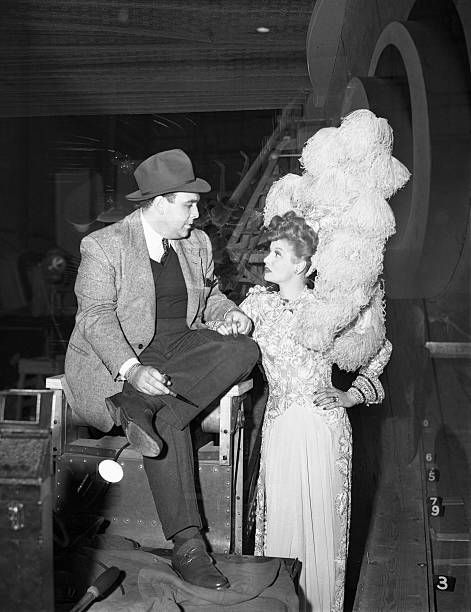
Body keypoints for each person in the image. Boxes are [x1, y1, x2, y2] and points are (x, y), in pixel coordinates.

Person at [214, 110, 410, 610]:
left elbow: (382, 348)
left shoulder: (333, 306)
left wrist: (351, 393)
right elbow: (223, 331)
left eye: (277, 255)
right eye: (270, 253)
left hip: (324, 430)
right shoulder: (257, 305)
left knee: (324, 532)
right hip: (279, 428)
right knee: (280, 530)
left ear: (303, 263)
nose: (268, 261)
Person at [64, 148, 259, 590]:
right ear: (161, 201)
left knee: (244, 349)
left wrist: (230, 314)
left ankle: (144, 408)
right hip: (120, 363)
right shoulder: (104, 245)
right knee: (173, 424)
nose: (197, 213)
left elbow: (208, 299)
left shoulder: (198, 243)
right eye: (189, 204)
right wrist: (132, 371)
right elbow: (95, 317)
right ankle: (189, 547)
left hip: (180, 354)